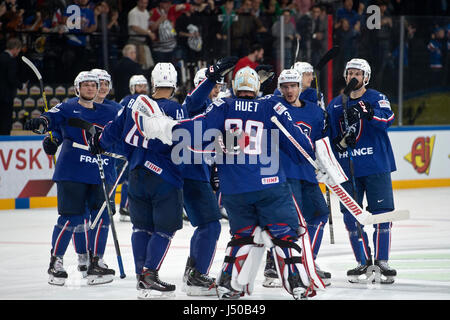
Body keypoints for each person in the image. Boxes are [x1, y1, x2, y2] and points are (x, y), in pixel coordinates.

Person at [139, 65, 329, 299]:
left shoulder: (224, 106)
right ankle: (297, 283)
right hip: (269, 185)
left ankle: (229, 283)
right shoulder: (271, 105)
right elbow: (299, 143)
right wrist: (318, 163)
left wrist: (165, 127)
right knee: (285, 233)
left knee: (242, 235)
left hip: (235, 190)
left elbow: (195, 134)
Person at [87, 63, 187, 299]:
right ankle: (149, 276)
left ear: (153, 82)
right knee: (165, 228)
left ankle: (141, 276)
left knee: (140, 227)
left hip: (135, 175)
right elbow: (184, 141)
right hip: (164, 177)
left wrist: (98, 144)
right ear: (174, 83)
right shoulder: (175, 108)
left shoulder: (131, 103)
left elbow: (112, 130)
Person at [24, 70, 120, 286]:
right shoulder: (69, 106)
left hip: (102, 172)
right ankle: (58, 262)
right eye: (89, 84)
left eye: (97, 85)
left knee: (101, 219)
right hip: (73, 172)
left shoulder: (113, 110)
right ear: (78, 88)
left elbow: (125, 131)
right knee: (73, 218)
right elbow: (52, 120)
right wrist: (43, 125)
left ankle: (96, 261)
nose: (95, 88)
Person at [326, 58, 397, 284]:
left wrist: (369, 112)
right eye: (349, 73)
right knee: (350, 218)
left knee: (383, 215)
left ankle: (382, 262)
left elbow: (388, 119)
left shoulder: (377, 98)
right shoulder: (336, 104)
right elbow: (329, 137)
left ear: (366, 77)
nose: (352, 77)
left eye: (358, 73)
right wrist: (338, 143)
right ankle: (363, 261)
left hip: (376, 166)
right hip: (348, 170)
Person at [262, 69, 331, 287]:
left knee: (320, 213)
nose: (289, 90)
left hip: (308, 174)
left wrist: (325, 165)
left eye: (293, 86)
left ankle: (307, 259)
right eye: (285, 87)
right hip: (284, 173)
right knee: (290, 222)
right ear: (280, 89)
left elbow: (321, 142)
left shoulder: (315, 112)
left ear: (300, 87)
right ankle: (275, 266)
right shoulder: (273, 108)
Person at [179, 66, 227, 296]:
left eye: (218, 85)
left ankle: (192, 271)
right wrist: (210, 77)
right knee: (211, 225)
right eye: (213, 85)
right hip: (191, 174)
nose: (217, 89)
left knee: (205, 225)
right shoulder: (195, 105)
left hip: (200, 174)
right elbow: (193, 101)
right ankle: (196, 275)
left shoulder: (214, 108)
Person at [116, 74, 150, 222]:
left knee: (129, 178)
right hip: (126, 146)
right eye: (139, 86)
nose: (142, 89)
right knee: (123, 178)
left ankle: (125, 206)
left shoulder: (149, 102)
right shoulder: (126, 101)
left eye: (144, 86)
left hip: (138, 146)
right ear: (132, 87)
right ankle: (121, 206)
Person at [0, 37, 22, 135]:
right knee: (5, 120)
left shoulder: (0, 57)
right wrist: (21, 85)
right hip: (6, 96)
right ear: (15, 48)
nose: (18, 53)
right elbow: (11, 78)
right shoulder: (10, 61)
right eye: (18, 50)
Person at [127, 0, 156, 70]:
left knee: (147, 65)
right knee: (137, 65)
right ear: (138, 2)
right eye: (142, 2)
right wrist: (149, 33)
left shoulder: (146, 12)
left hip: (144, 42)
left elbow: (148, 26)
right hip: (135, 42)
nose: (144, 5)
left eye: (146, 3)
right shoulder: (133, 12)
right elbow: (134, 27)